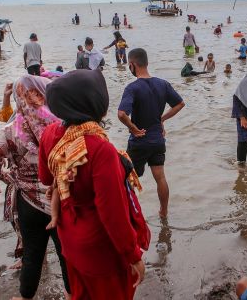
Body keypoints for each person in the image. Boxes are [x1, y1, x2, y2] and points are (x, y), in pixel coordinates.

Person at [39, 69, 149, 299]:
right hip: (101, 250)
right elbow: (113, 213)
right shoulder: (101, 149)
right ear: (95, 102)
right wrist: (133, 256)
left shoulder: (51, 133)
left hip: (70, 239)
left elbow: (46, 178)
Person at [0, 75, 71, 299]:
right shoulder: (62, 123)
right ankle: (72, 294)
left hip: (28, 199)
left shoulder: (12, 129)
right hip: (59, 198)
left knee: (32, 254)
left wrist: (7, 177)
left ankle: (25, 296)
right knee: (66, 253)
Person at [118, 48, 185, 218]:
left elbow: (121, 114)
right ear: (146, 62)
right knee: (160, 177)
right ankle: (164, 211)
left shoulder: (132, 88)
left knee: (129, 179)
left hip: (139, 142)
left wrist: (133, 128)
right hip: (157, 140)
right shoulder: (162, 84)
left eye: (129, 65)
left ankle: (130, 213)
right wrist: (161, 119)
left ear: (132, 65)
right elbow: (179, 104)